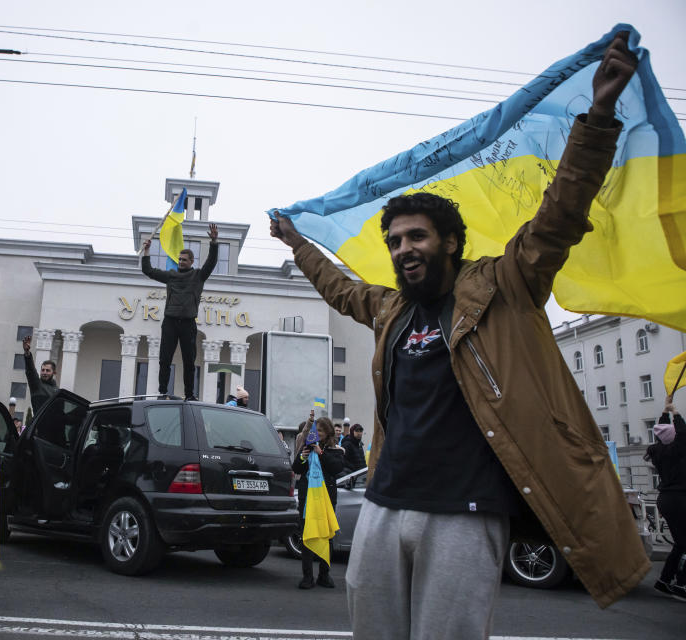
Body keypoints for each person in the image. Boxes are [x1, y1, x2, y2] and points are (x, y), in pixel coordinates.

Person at [270, 33, 646, 636]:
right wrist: (295, 244)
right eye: (394, 242)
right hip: (385, 504)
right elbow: (340, 289)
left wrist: (598, 116)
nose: (402, 250)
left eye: (415, 237)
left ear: (448, 241)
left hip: (466, 513)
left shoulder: (504, 285)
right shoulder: (392, 310)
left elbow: (559, 215)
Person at [141, 223, 219, 401]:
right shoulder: (170, 275)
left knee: (189, 361)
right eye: (179, 259)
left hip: (188, 323)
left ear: (191, 262)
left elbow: (211, 263)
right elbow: (148, 271)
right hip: (170, 322)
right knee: (164, 360)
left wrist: (214, 242)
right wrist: (147, 252)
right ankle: (162, 392)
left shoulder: (198, 276)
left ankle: (189, 395)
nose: (180, 262)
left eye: (184, 259)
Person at [293, 417, 345, 589]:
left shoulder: (335, 450)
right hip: (308, 498)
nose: (317, 434)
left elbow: (336, 468)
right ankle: (307, 577)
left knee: (327, 536)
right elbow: (296, 468)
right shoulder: (307, 447)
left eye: (321, 431)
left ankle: (324, 575)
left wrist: (321, 453)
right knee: (307, 534)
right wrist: (302, 457)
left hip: (326, 499)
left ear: (327, 433)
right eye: (316, 430)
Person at [646, 395, 686, 600]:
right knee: (684, 542)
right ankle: (681, 585)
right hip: (679, 499)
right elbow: (682, 434)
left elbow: (662, 432)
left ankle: (664, 581)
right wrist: (676, 413)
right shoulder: (678, 452)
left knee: (681, 543)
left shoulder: (659, 451)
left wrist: (665, 411)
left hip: (667, 499)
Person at [22, 334, 58, 412]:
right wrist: (27, 353)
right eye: (43, 370)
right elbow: (31, 372)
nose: (44, 372)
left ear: (54, 372)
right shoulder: (37, 385)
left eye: (47, 370)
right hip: (41, 423)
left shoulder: (57, 390)